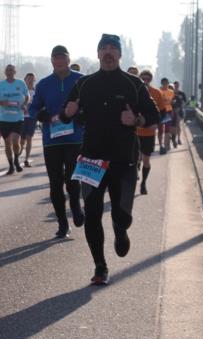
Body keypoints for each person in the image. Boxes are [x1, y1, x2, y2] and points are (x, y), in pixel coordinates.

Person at [62, 34, 159, 285]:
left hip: (123, 159)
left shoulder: (134, 84)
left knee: (122, 214)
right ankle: (100, 267)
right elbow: (66, 113)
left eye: (113, 49)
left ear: (119, 55)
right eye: (103, 48)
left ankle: (120, 229)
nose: (108, 52)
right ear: (97, 54)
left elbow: (153, 114)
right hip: (91, 159)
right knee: (92, 215)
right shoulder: (85, 84)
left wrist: (136, 120)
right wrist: (67, 112)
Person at [29, 45, 85, 239]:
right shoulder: (44, 84)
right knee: (55, 183)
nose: (60, 61)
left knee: (72, 178)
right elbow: (33, 108)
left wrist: (81, 115)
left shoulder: (81, 80)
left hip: (75, 138)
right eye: (56, 58)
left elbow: (91, 103)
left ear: (69, 60)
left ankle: (76, 206)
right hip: (51, 140)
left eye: (63, 57)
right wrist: (41, 115)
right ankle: (63, 224)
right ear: (52, 61)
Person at [0, 64, 30, 174]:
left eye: (11, 70)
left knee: (15, 142)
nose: (9, 72)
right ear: (5, 72)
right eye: (7, 70)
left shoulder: (20, 83)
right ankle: (11, 166)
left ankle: (16, 160)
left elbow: (27, 96)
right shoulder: (0, 85)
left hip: (18, 117)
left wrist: (24, 104)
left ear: (15, 71)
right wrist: (2, 102)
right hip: (4, 118)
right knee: (7, 143)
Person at [135, 69, 165, 195]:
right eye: (143, 78)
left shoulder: (156, 93)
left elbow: (162, 112)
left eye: (148, 79)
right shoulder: (134, 91)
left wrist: (156, 124)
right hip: (134, 132)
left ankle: (143, 183)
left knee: (146, 159)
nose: (145, 81)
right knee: (136, 158)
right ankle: (135, 173)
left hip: (149, 133)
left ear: (151, 79)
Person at [21, 71, 37, 168]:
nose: (30, 81)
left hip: (31, 118)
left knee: (29, 138)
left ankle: (26, 159)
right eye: (28, 79)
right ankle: (18, 154)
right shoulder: (20, 91)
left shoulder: (36, 92)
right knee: (21, 141)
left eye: (32, 79)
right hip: (21, 118)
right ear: (25, 80)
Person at [158, 77, 176, 154]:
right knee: (160, 129)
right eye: (164, 83)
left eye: (166, 83)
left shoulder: (171, 92)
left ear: (168, 83)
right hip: (160, 111)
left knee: (167, 129)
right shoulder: (158, 91)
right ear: (161, 83)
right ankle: (160, 145)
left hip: (168, 111)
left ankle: (165, 145)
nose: (165, 85)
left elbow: (172, 102)